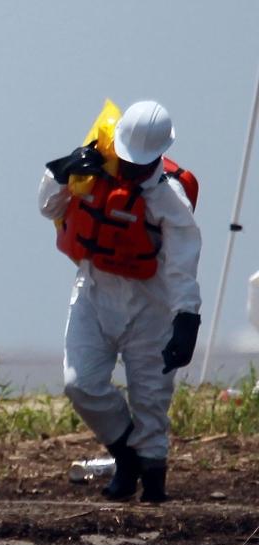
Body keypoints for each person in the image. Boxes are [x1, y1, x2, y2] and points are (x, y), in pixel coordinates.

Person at [40, 100, 201, 503]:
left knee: (151, 401)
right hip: (93, 291)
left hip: (152, 306)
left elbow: (183, 262)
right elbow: (48, 207)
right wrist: (61, 172)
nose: (129, 169)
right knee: (80, 384)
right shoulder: (90, 169)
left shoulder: (171, 197)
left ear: (159, 156)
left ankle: (154, 491)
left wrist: (187, 318)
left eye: (140, 164)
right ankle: (125, 459)